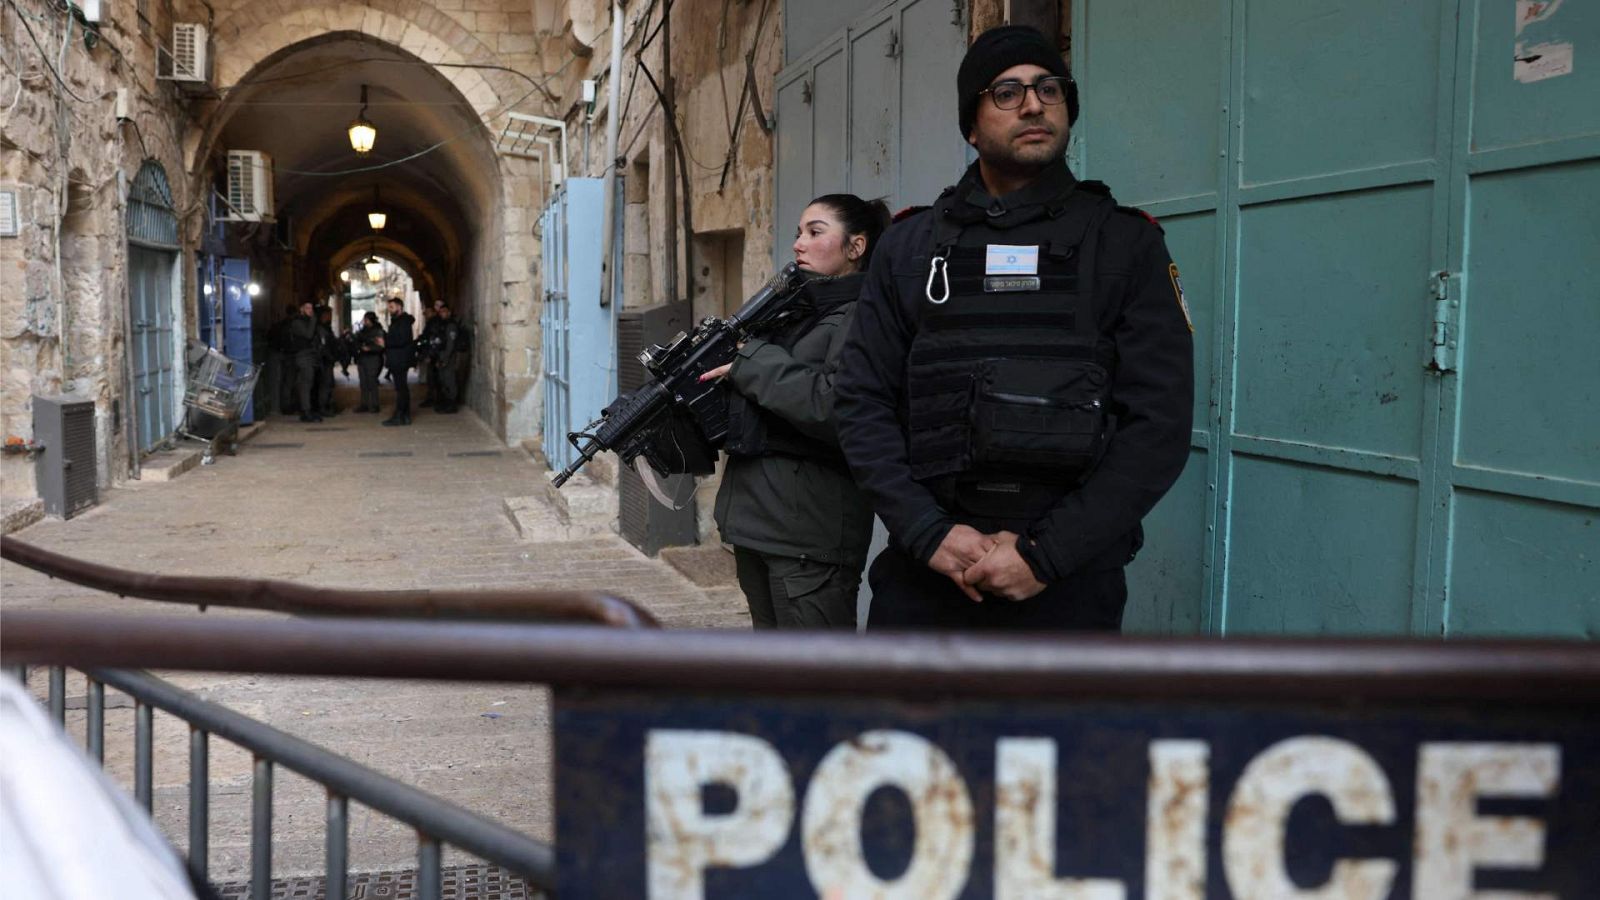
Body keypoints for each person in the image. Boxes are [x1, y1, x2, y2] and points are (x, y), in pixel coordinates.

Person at [835, 25, 1194, 631]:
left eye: (1048, 88)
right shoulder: (910, 246)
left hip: (1071, 581)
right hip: (930, 576)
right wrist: (928, 531)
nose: (1033, 104)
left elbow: (1157, 425)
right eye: (1006, 91)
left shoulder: (1126, 243)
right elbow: (861, 400)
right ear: (970, 125)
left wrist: (1045, 555)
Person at [699, 194, 888, 629]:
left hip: (810, 535)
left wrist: (750, 363)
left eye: (815, 232)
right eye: (799, 233)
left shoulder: (865, 314)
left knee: (818, 681)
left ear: (856, 247)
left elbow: (836, 405)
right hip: (758, 522)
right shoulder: (794, 312)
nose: (799, 244)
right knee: (776, 675)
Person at [381, 297, 416, 426]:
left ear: (399, 307)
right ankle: (404, 415)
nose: (389, 310)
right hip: (398, 358)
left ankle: (400, 415)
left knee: (401, 388)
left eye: (392, 307)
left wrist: (385, 342)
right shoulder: (398, 321)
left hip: (400, 359)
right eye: (389, 307)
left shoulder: (403, 322)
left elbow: (402, 340)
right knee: (402, 388)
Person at [287, 300, 321, 423]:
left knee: (309, 383)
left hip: (310, 356)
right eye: (307, 308)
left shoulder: (307, 321)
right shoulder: (297, 322)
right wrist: (313, 320)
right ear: (301, 309)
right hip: (303, 356)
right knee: (305, 384)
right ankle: (306, 411)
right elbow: (308, 335)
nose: (310, 311)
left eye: (311, 308)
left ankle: (307, 410)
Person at [434, 303, 468, 414]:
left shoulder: (451, 326)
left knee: (450, 380)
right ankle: (446, 403)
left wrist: (445, 359)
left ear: (449, 312)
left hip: (449, 357)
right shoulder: (442, 325)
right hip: (441, 356)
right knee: (443, 380)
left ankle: (452, 404)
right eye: (440, 312)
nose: (442, 314)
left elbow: (450, 344)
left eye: (444, 312)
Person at [352, 311, 385, 413]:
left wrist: (370, 348)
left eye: (366, 319)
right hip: (362, 359)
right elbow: (357, 342)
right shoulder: (362, 331)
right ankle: (364, 404)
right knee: (363, 383)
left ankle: (375, 405)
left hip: (373, 359)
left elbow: (381, 346)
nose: (364, 321)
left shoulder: (378, 331)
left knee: (372, 382)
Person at [314, 305, 341, 417]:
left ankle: (326, 406)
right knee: (325, 384)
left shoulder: (325, 328)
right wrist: (330, 357)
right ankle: (323, 407)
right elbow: (323, 346)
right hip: (324, 361)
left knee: (327, 384)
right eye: (328, 314)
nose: (329, 317)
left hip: (326, 360)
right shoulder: (321, 329)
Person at [416, 304, 442, 408]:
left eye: (427, 312)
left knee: (433, 378)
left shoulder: (434, 324)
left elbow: (433, 341)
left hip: (434, 355)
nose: (425, 314)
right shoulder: (432, 323)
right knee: (432, 378)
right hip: (433, 354)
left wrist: (430, 355)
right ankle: (433, 399)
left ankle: (435, 399)